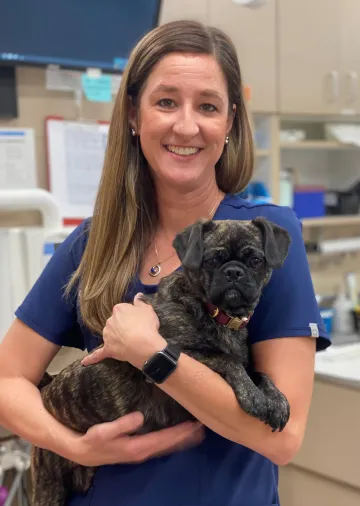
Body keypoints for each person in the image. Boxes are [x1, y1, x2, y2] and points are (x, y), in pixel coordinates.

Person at [0, 20, 330, 506]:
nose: (186, 125)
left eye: (208, 106)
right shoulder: (95, 242)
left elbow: (281, 437)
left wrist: (152, 352)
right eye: (166, 102)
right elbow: (7, 380)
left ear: (231, 121)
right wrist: (76, 448)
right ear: (134, 115)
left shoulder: (268, 237)